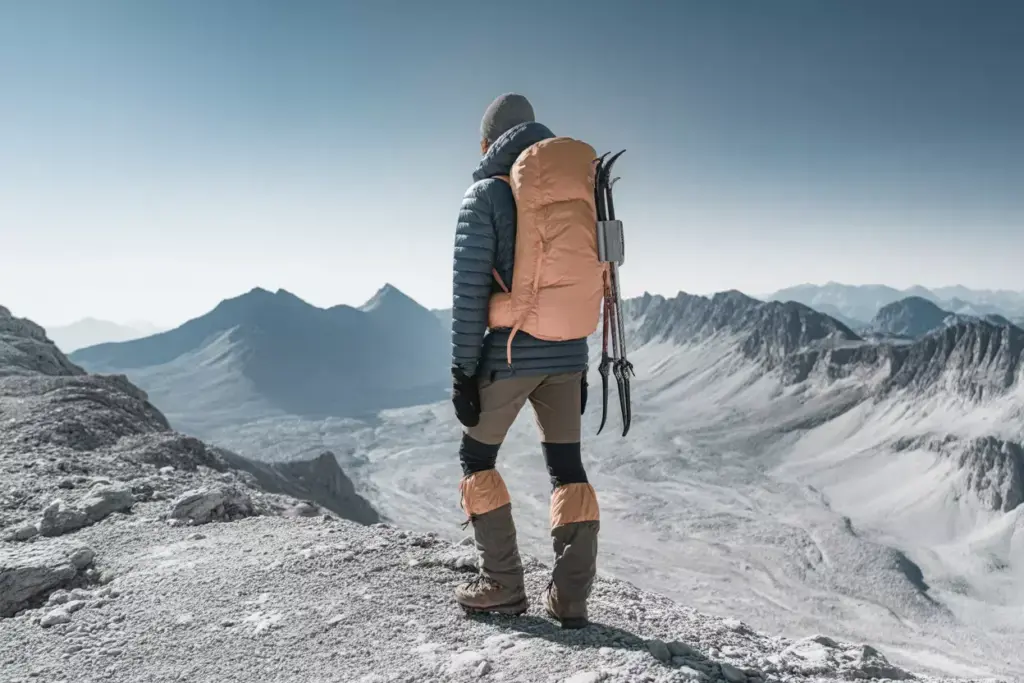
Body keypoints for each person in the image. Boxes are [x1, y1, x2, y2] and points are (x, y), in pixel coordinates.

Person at [449, 93, 600, 629]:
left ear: (489, 142)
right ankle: (571, 600)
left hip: (510, 354)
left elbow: (470, 295)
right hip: (571, 353)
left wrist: (463, 371)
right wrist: (582, 362)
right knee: (567, 469)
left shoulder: (485, 195)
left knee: (476, 459)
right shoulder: (579, 188)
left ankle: (504, 587)